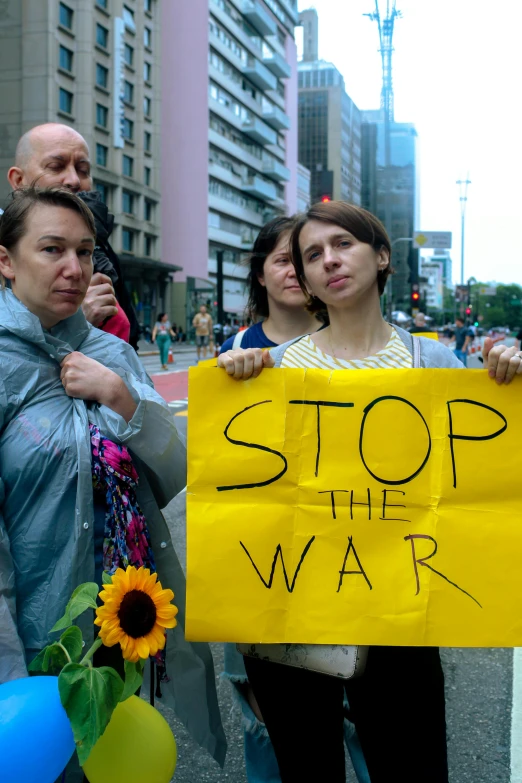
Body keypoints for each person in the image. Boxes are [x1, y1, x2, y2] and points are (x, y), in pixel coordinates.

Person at [218, 200, 522, 783]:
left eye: (343, 244)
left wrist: (509, 382)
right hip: (295, 616)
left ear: (381, 256)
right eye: (312, 254)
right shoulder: (270, 369)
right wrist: (232, 385)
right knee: (308, 770)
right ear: (303, 277)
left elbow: (484, 484)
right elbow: (239, 494)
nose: (329, 260)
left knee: (412, 766)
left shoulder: (434, 363)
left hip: (401, 619)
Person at [0, 188, 226, 780]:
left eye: (84, 251)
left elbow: (175, 475)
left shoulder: (114, 355)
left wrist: (123, 399)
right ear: (6, 260)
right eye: (52, 249)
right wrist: (9, 676)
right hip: (29, 639)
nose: (74, 268)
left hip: (120, 631)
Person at [220, 217, 369, 783]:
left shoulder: (355, 343)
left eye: (301, 259)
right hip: (272, 570)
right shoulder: (235, 356)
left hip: (352, 562)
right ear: (260, 272)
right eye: (284, 259)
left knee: (361, 714)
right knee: (271, 724)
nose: (296, 269)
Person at [6, 122, 140, 348]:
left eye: (83, 170)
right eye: (56, 166)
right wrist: (76, 323)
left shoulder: (102, 248)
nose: (74, 181)